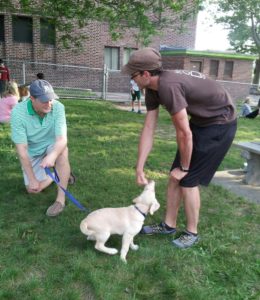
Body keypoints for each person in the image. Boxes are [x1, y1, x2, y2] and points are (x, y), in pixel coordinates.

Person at [122, 47, 237, 249]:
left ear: (146, 74)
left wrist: (185, 167)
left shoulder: (168, 87)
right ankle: (168, 224)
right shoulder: (152, 89)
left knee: (188, 179)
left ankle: (192, 232)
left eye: (133, 75)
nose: (131, 80)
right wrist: (139, 167)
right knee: (174, 175)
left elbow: (184, 133)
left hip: (220, 123)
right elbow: (149, 128)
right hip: (202, 121)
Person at [11, 79, 73, 217]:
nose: (49, 103)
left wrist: (52, 156)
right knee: (32, 189)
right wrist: (32, 179)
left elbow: (62, 139)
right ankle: (59, 175)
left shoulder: (58, 107)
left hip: (52, 145)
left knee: (62, 152)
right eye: (44, 100)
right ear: (32, 98)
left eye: (51, 99)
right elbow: (22, 150)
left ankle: (60, 200)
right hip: (32, 151)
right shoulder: (18, 113)